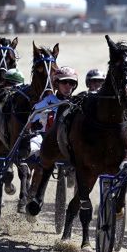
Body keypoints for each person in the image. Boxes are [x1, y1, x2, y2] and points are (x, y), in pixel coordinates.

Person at [24, 66, 78, 194]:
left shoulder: (76, 104)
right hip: (44, 139)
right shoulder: (46, 102)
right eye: (64, 82)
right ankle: (29, 187)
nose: (68, 86)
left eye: (71, 83)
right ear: (56, 84)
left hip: (68, 144)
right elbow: (30, 124)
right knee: (30, 150)